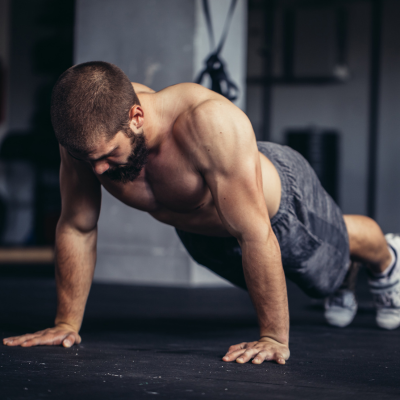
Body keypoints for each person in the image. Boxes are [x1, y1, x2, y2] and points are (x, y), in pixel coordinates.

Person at [3, 62, 400, 365]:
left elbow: (256, 233)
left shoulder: (207, 122)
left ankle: (387, 257)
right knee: (313, 281)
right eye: (90, 160)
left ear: (136, 118)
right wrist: (65, 325)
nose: (99, 171)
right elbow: (77, 225)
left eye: (108, 156)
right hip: (204, 234)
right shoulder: (87, 138)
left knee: (326, 267)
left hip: (277, 208)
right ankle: (343, 277)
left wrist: (274, 338)